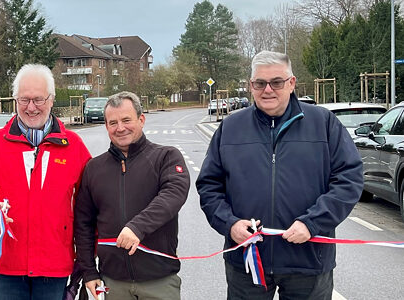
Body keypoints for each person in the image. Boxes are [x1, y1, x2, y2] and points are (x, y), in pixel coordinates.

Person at [197, 51, 363, 299]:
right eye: (260, 83)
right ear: (251, 85)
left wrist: (313, 223)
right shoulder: (231, 128)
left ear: (292, 83)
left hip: (308, 260)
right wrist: (229, 224)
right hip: (246, 261)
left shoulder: (323, 123)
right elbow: (209, 185)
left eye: (276, 82)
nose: (268, 90)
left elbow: (349, 179)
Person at [0, 63, 92, 300]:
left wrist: (88, 255)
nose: (31, 107)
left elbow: (92, 200)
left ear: (51, 100)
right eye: (24, 100)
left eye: (38, 100)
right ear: (15, 100)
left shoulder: (73, 146)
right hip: (7, 265)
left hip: (54, 264)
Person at [74, 91, 189, 300]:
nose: (120, 128)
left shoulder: (166, 157)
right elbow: (83, 225)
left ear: (141, 119)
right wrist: (89, 271)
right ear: (106, 126)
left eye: (127, 120)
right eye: (113, 122)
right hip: (113, 283)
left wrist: (136, 227)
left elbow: (173, 194)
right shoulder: (93, 168)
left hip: (160, 282)